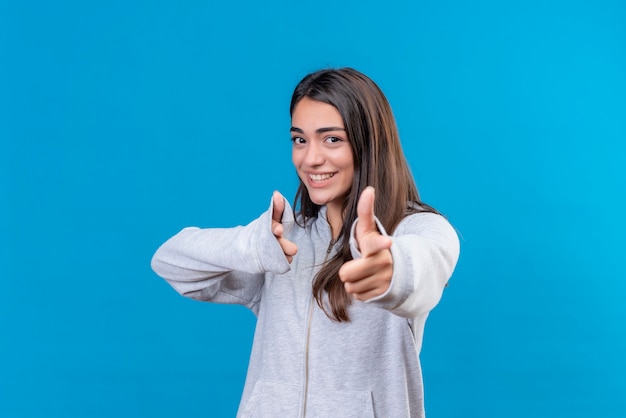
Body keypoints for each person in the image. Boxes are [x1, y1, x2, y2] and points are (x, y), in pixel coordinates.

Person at [151, 67, 460, 417]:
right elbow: (170, 261)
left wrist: (390, 270)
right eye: (300, 139)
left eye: (332, 139)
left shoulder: (418, 229)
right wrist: (251, 246)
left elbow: (425, 264)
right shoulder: (284, 240)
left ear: (369, 143)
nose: (310, 158)